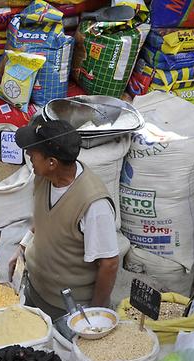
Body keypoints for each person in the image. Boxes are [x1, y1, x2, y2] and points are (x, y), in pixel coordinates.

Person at [10, 118, 120, 320]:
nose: (28, 156)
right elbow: (46, 219)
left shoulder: (94, 205)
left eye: (33, 153)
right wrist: (22, 248)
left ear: (52, 162)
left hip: (67, 309)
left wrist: (94, 315)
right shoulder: (43, 177)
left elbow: (109, 264)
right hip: (36, 290)